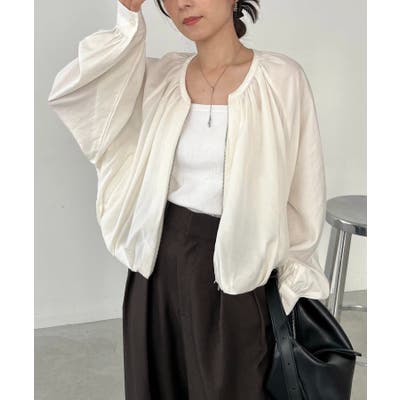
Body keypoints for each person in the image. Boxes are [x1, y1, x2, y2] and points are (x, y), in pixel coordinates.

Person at [48, 0, 331, 399]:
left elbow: (304, 196)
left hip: (240, 274)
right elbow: (79, 95)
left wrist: (290, 288)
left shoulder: (281, 79)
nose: (183, 3)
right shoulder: (161, 78)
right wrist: (128, 19)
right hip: (158, 271)